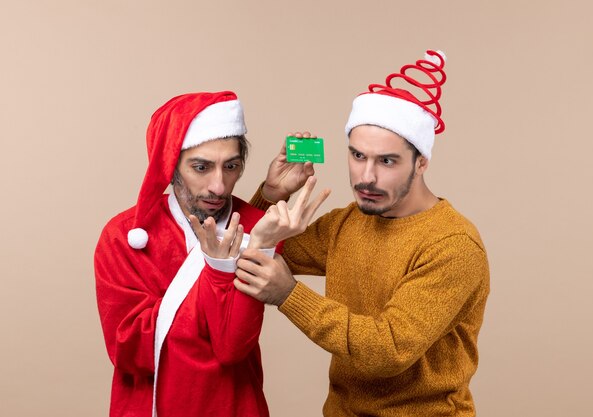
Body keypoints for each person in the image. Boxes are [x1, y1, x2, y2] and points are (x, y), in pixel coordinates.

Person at [236, 50, 491, 416]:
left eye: (386, 161)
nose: (366, 177)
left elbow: (387, 351)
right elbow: (252, 251)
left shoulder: (452, 244)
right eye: (358, 156)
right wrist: (272, 194)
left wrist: (289, 295)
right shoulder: (348, 222)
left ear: (421, 162)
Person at [94, 91, 328, 417]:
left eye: (231, 166)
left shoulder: (261, 227)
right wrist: (218, 271)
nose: (219, 185)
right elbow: (131, 350)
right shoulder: (123, 236)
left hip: (237, 407)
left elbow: (232, 347)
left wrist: (269, 204)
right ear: (169, 165)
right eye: (201, 167)